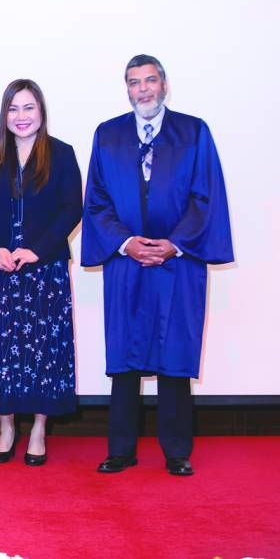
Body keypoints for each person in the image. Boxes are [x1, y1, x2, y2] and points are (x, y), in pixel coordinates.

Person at [82, 54, 233, 476]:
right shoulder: (108, 135)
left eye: (150, 81)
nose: (143, 89)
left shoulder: (193, 132)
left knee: (174, 355)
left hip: (177, 263)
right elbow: (96, 201)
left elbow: (205, 196)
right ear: (126, 88)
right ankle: (121, 449)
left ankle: (177, 452)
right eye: (134, 82)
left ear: (164, 85)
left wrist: (175, 244)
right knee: (126, 358)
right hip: (127, 260)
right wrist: (127, 242)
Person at [0, 78, 82, 466]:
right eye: (13, 109)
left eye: (28, 108)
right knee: (0, 352)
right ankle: (6, 429)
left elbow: (72, 208)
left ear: (41, 112)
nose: (21, 116)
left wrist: (37, 250)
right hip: (0, 270)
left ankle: (37, 430)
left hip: (44, 270)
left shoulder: (62, 154)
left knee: (44, 352)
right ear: (4, 115)